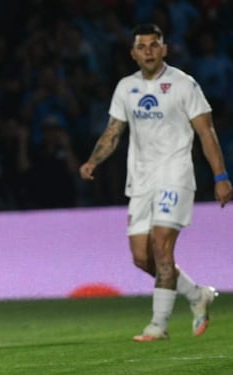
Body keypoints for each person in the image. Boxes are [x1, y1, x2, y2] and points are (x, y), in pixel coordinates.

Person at [79, 23, 233, 342]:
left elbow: (207, 132)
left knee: (162, 248)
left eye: (154, 45)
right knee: (142, 257)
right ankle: (196, 294)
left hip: (175, 176)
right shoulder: (126, 88)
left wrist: (220, 176)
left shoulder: (184, 85)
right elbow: (113, 132)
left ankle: (158, 324)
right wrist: (94, 161)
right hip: (141, 181)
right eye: (142, 46)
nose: (148, 51)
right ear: (133, 53)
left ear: (164, 49)